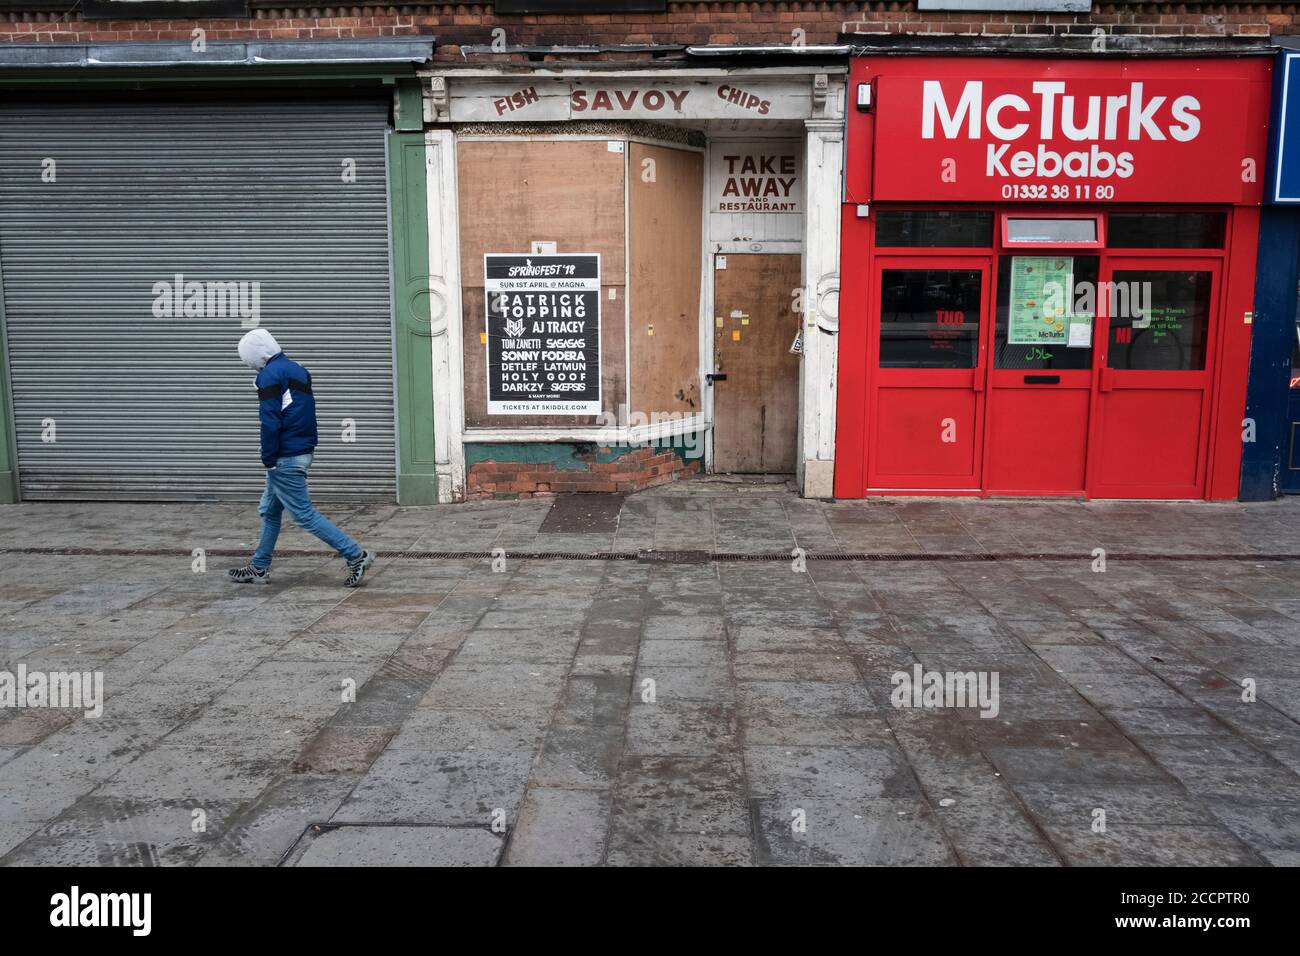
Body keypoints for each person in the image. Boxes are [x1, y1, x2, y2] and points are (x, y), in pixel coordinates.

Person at [227, 328, 374, 587]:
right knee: (270, 511)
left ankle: (356, 555)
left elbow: (270, 421)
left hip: (285, 456)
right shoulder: (298, 369)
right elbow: (299, 412)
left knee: (304, 515)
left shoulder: (269, 376)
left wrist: (268, 457)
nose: (248, 366)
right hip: (301, 449)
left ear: (255, 356)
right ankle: (259, 567)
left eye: (247, 360)